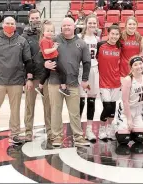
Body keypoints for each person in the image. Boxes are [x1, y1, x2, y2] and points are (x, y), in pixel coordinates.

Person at [0, 17, 33, 145]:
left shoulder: (22, 41)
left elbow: (27, 61)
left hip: (16, 81)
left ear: (15, 26)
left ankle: (15, 134)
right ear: (2, 25)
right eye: (7, 23)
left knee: (15, 110)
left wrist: (28, 77)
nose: (10, 25)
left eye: (12, 23)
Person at [44, 17, 91, 146]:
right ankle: (57, 136)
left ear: (74, 27)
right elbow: (42, 54)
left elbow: (87, 63)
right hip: (54, 82)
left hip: (72, 83)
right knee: (55, 111)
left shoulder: (81, 43)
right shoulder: (54, 40)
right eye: (64, 25)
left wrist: (85, 79)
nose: (66, 28)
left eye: (69, 26)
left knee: (74, 112)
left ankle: (78, 136)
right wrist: (45, 64)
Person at [22, 9, 52, 142]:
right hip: (31, 78)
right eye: (33, 18)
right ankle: (28, 132)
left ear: (40, 18)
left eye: (37, 18)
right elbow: (23, 59)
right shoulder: (24, 36)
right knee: (29, 106)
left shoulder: (47, 34)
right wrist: (27, 78)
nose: (35, 20)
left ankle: (50, 131)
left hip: (46, 76)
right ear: (29, 19)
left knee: (49, 106)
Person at [77, 14, 101, 142]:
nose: (92, 25)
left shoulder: (98, 39)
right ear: (86, 24)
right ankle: (78, 129)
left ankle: (89, 129)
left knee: (91, 100)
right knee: (81, 101)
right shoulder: (79, 38)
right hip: (81, 70)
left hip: (94, 69)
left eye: (94, 23)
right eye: (90, 23)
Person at [114, 56, 143, 145]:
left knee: (139, 139)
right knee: (124, 140)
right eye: (135, 65)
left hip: (138, 110)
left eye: (140, 63)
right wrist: (129, 119)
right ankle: (117, 126)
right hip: (126, 109)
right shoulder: (128, 80)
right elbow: (125, 101)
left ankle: (131, 131)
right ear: (131, 67)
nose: (139, 66)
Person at [97, 24, 122, 140]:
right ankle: (101, 129)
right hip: (104, 82)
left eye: (117, 34)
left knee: (112, 109)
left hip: (116, 82)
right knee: (106, 107)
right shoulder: (101, 46)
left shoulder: (120, 47)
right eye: (112, 34)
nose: (114, 36)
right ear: (108, 33)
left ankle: (110, 130)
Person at [36, 20, 70, 97]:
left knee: (46, 74)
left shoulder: (48, 40)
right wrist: (54, 48)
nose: (50, 32)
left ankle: (40, 87)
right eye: (48, 31)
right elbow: (46, 51)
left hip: (51, 59)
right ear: (43, 32)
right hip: (51, 60)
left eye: (52, 31)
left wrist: (53, 45)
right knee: (62, 72)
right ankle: (63, 87)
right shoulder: (44, 40)